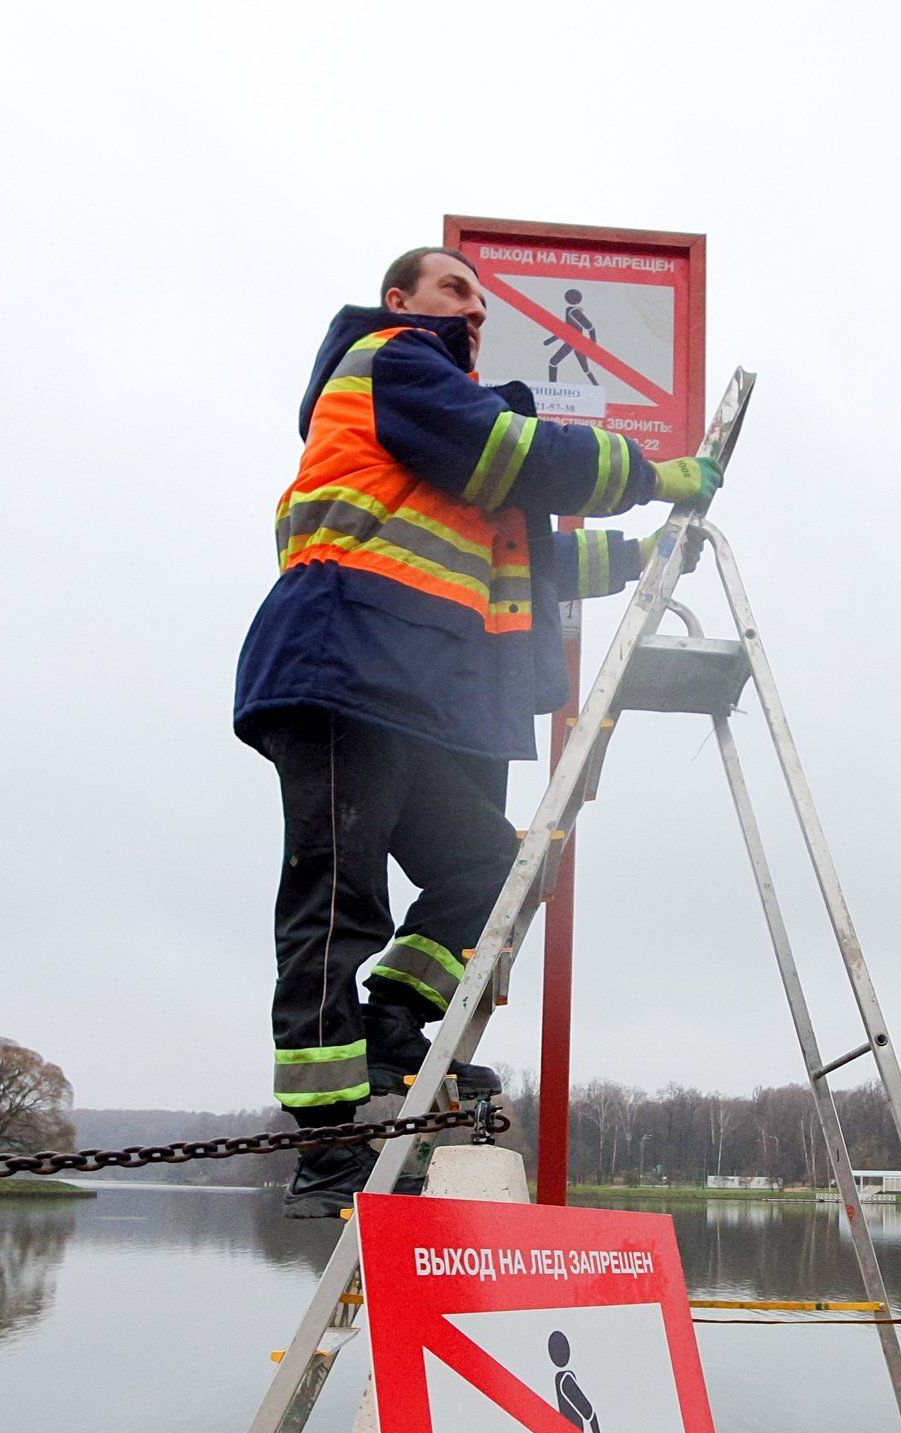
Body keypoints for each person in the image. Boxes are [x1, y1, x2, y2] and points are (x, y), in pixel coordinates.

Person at [236, 246, 720, 1216]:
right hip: (344, 664)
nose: (473, 309)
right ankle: (330, 1144)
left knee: (491, 868)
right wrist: (654, 475)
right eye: (455, 288)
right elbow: (522, 458)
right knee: (339, 899)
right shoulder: (392, 362)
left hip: (409, 693)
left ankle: (392, 1031)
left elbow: (523, 571)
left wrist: (640, 554)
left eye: (480, 299)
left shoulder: (439, 441)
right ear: (400, 298)